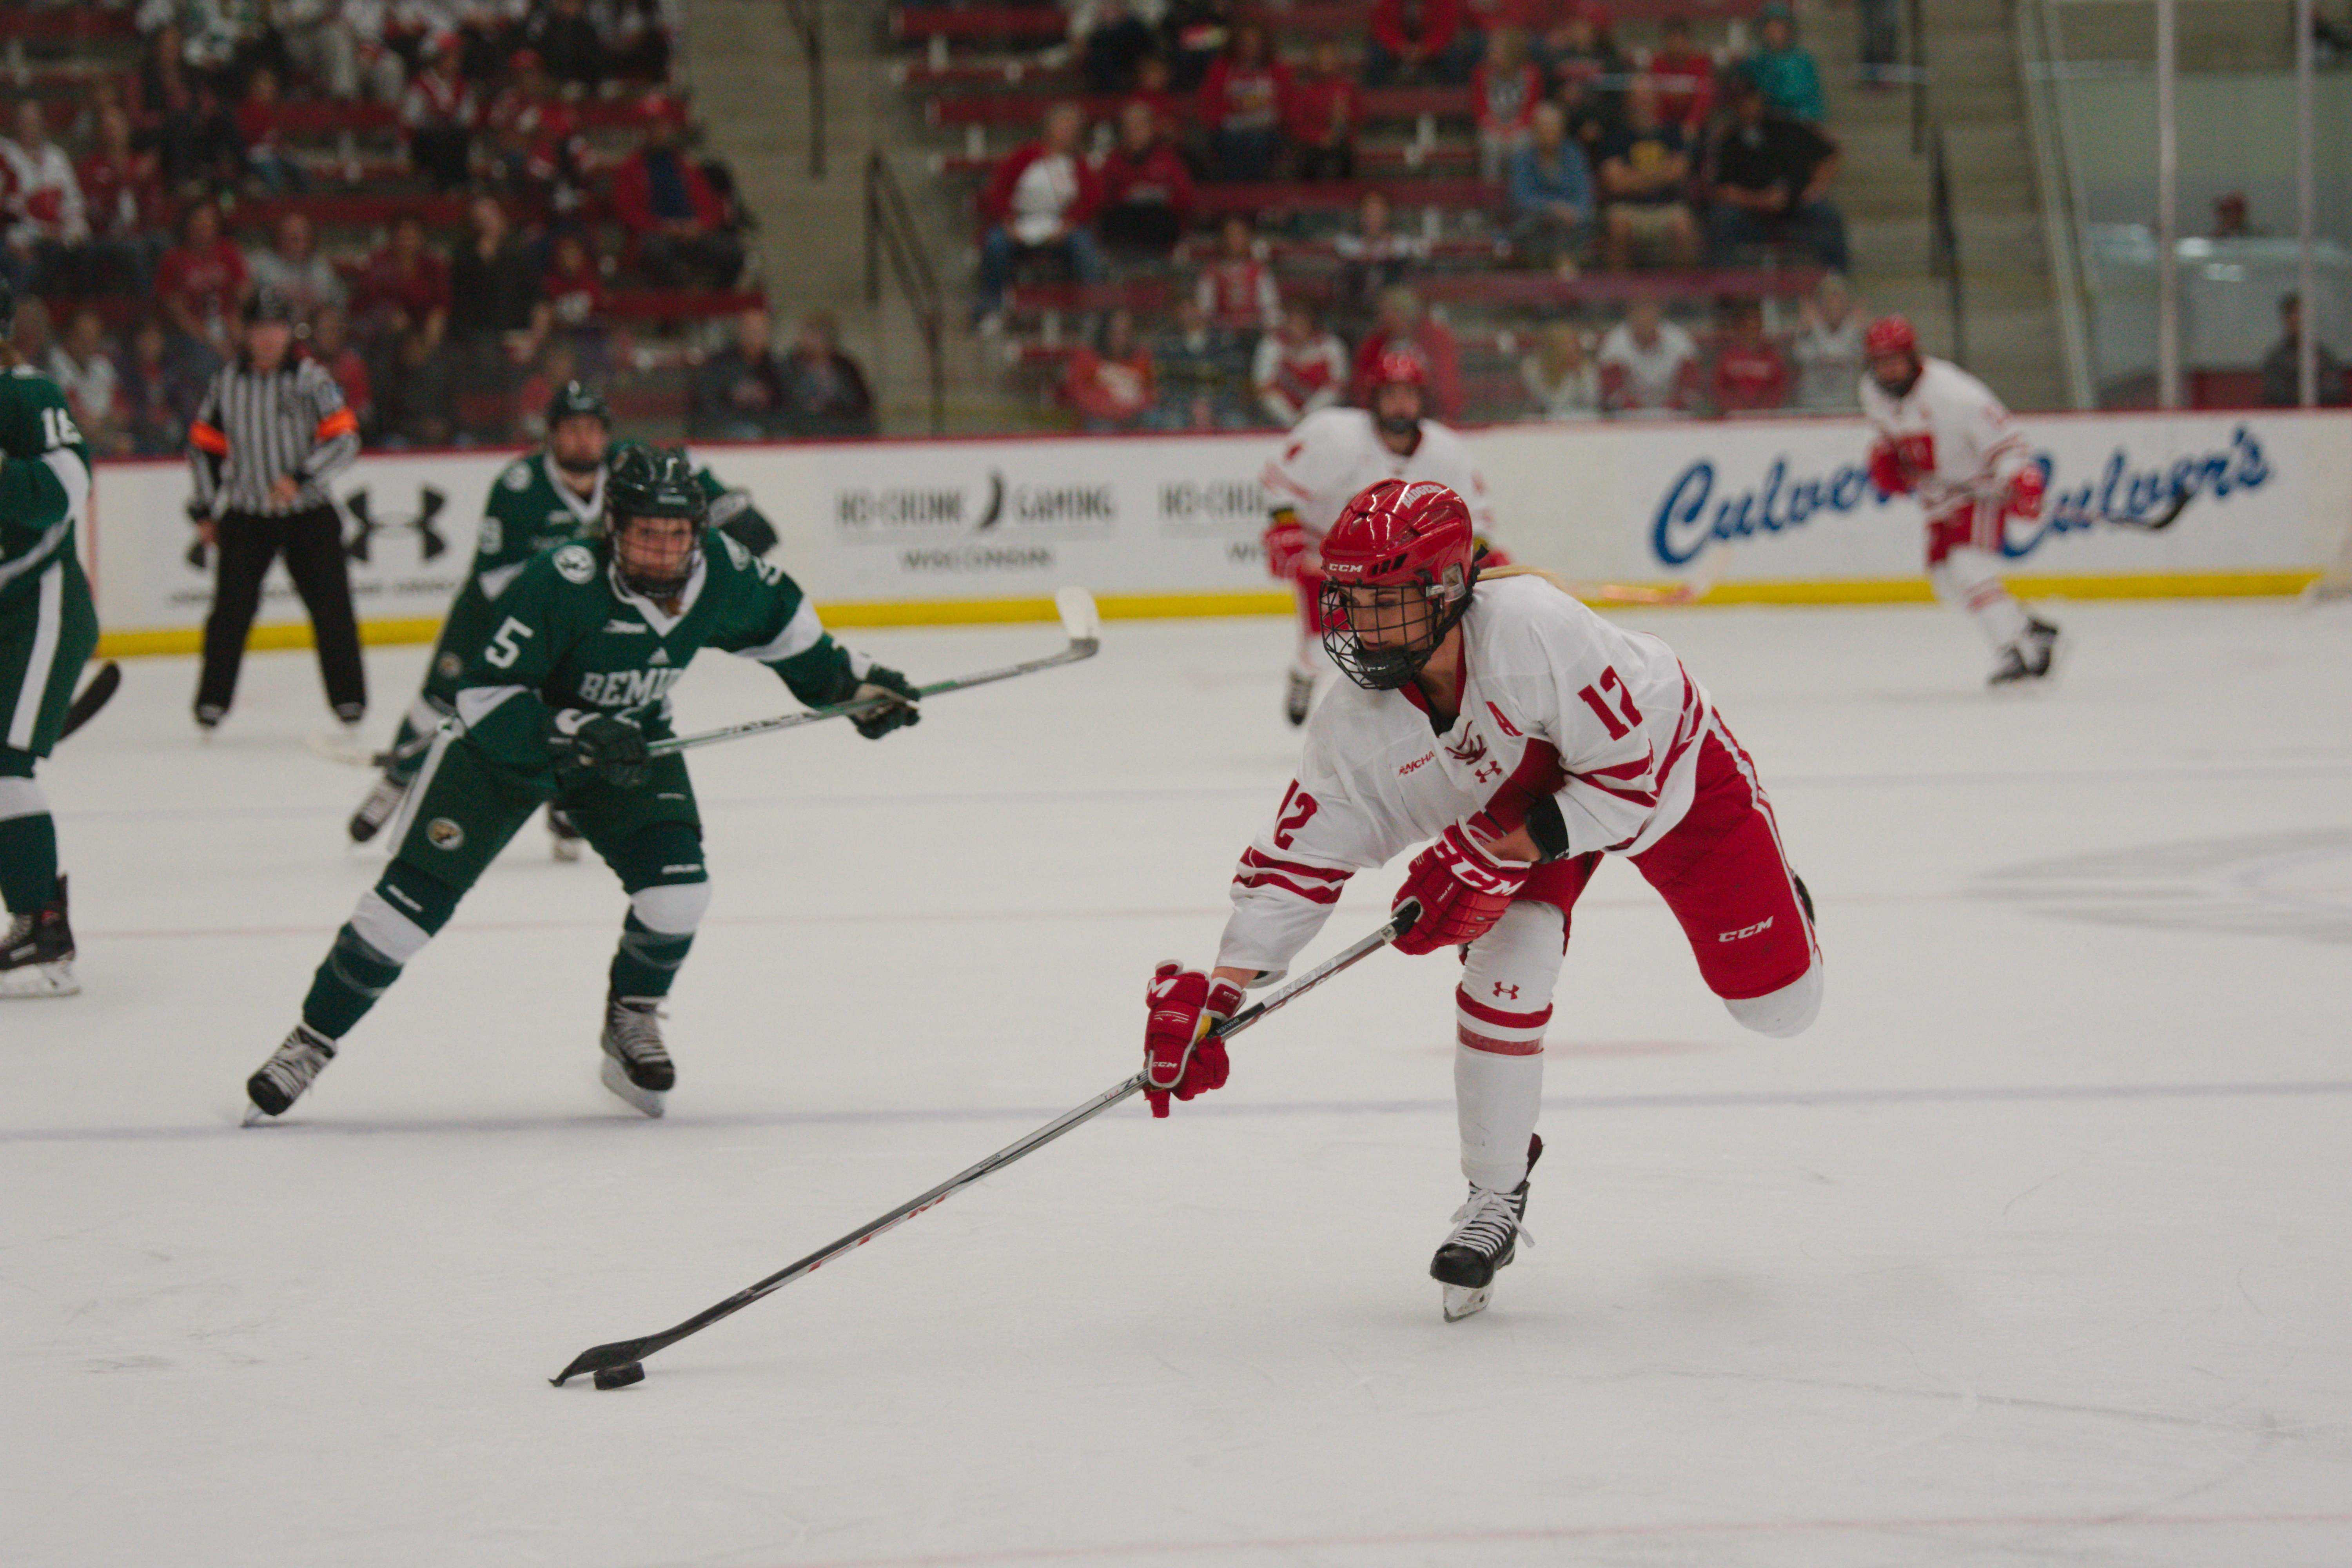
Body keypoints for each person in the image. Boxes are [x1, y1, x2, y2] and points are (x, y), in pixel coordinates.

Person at [1139, 478, 1820, 1319]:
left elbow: (1626, 786)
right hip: (1517, 813)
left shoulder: (1536, 628)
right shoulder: (1355, 722)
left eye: (1380, 601)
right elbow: (1295, 862)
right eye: (1347, 597)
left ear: (1445, 591)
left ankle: (1786, 904)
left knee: (1781, 1007)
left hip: (1667, 775)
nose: (1352, 622)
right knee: (1509, 963)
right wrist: (1221, 992)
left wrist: (1491, 853)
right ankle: (1494, 1196)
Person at [252, 446, 924, 1122]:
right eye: (645, 534)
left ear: (698, 531)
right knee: (397, 917)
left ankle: (629, 1018)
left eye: (677, 535)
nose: (663, 552)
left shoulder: (723, 571)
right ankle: (311, 1041)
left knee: (679, 894)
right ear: (614, 529)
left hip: (628, 750)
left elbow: (797, 641)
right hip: (502, 754)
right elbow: (483, 693)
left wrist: (859, 687)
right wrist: (574, 728)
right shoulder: (562, 579)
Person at [348, 385, 785, 844]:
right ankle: (395, 781)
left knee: (575, 705)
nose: (584, 440)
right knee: (438, 699)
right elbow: (497, 580)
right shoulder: (519, 485)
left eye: (594, 430)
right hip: (493, 617)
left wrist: (731, 511)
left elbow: (690, 480)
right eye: (573, 429)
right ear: (551, 434)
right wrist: (583, 557)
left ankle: (564, 804)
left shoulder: (631, 470)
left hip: (579, 622)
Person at [1261, 349, 1493, 725]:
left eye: (1408, 395)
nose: (1400, 405)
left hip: (1402, 569)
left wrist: (1474, 561)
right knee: (1325, 647)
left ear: (1421, 400)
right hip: (1330, 559)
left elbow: (1478, 524)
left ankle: (1405, 715)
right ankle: (1305, 673)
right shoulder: (1333, 436)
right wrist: (1285, 527)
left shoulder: (1448, 453)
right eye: (1391, 394)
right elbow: (1280, 481)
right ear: (1374, 399)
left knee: (1405, 643)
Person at [186, 289, 367, 737]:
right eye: (260, 329)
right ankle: (212, 702)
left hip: (308, 514)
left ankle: (349, 700)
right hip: (247, 515)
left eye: (277, 329)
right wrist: (207, 510)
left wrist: (302, 477)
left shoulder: (312, 379)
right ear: (245, 334)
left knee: (332, 609)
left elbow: (345, 437)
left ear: (290, 334)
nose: (268, 339)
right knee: (229, 613)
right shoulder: (226, 383)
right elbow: (204, 447)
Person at [1860, 314, 2062, 687]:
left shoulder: (1954, 394)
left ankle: (2012, 653)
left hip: (1981, 489)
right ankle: (2031, 630)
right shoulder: (1872, 391)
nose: (1887, 371)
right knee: (1947, 582)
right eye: (1880, 362)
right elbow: (1890, 438)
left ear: (1913, 357)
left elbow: (2008, 440)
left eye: (1895, 361)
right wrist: (1887, 459)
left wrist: (2023, 479)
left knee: (1967, 564)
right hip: (1939, 498)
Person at [0, 276, 99, 999]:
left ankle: (41, 918)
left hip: (42, 608)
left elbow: (68, 488)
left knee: (5, 765)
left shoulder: (30, 398)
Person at [975, 102, 1105, 327]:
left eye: (1073, 128)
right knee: (996, 244)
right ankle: (991, 309)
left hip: (1062, 226)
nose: (1068, 132)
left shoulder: (1080, 165)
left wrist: (1069, 224)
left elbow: (1091, 199)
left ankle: (1093, 313)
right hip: (1020, 223)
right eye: (1064, 126)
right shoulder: (1024, 157)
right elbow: (999, 190)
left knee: (1084, 245)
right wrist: (1008, 223)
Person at [1705, 74, 1847, 270]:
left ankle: (1837, 282)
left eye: (1750, 99)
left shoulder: (1786, 127)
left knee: (1826, 215)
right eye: (1739, 102)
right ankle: (1725, 287)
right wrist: (1760, 201)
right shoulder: (1728, 140)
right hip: (1750, 216)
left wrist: (1815, 189)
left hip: (1795, 210)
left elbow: (1829, 153)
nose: (1746, 106)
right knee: (1722, 219)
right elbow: (1721, 190)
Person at [612, 106, 744, 290]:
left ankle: (713, 297)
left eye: (663, 127)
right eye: (653, 127)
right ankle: (684, 295)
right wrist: (662, 227)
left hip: (692, 233)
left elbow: (708, 203)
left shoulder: (684, 165)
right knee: (655, 252)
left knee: (733, 252)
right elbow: (628, 211)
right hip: (656, 234)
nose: (659, 133)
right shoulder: (630, 169)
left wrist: (698, 225)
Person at [1597, 78, 1698, 270]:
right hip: (1627, 208)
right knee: (1617, 226)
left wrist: (1633, 177)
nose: (1642, 103)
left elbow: (1679, 172)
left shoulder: (1673, 133)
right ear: (1628, 101)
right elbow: (1615, 183)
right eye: (1637, 98)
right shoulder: (1614, 136)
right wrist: (1661, 174)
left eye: (1647, 97)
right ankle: (1620, 292)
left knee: (1683, 226)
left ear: (1656, 101)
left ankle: (1681, 295)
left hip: (1667, 207)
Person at [1093, 98, 1197, 258]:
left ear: (1151, 128)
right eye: (1129, 128)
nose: (1134, 132)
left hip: (1161, 224)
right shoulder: (1113, 162)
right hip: (1125, 226)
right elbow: (1102, 198)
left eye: (1139, 127)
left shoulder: (1168, 159)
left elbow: (1186, 197)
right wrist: (1127, 195)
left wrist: (1161, 195)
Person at [1350, 285, 1464, 420]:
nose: (1385, 319)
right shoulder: (1373, 345)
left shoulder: (1435, 340)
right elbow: (1361, 385)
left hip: (1430, 417)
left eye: (1392, 312)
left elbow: (1448, 383)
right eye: (1384, 313)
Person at [1507, 99, 1595, 270]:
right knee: (1540, 229)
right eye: (1544, 128)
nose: (1549, 133)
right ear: (1534, 130)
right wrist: (1553, 208)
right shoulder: (1522, 159)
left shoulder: (1574, 155)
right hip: (1536, 225)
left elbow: (1584, 195)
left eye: (1553, 127)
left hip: (1571, 225)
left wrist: (1570, 212)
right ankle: (1564, 272)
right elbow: (1520, 198)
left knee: (1581, 223)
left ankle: (1564, 270)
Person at [1198, 18, 1289, 183]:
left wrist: (1268, 105)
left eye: (1255, 43)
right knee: (1232, 141)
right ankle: (1234, 195)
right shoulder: (1221, 69)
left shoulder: (1277, 69)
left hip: (1267, 128)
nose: (1250, 48)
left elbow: (1288, 103)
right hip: (1230, 127)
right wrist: (1234, 106)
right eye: (1245, 43)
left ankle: (1258, 195)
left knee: (1258, 141)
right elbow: (1208, 104)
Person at [156, 202, 251, 358]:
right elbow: (178, 312)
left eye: (209, 220)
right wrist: (210, 341)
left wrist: (236, 326)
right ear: (187, 225)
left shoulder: (228, 251)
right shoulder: (173, 260)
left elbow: (243, 292)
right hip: (192, 333)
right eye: (199, 220)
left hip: (230, 324)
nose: (204, 225)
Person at [690, 305, 786, 440]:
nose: (755, 335)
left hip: (769, 430)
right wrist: (733, 395)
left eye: (760, 330)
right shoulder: (718, 364)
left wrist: (765, 398)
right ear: (741, 330)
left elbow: (788, 405)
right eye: (750, 329)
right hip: (726, 430)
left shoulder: (777, 368)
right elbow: (707, 404)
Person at [1597, 298, 1702, 415]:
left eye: (1649, 310)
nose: (1645, 317)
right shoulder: (1614, 343)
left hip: (1674, 415)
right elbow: (1613, 393)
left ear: (1658, 313)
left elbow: (1690, 390)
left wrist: (1667, 410)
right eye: (1640, 310)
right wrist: (1640, 413)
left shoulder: (1681, 340)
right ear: (1631, 314)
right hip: (1628, 417)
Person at [780, 311, 877, 437]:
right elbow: (785, 399)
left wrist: (834, 407)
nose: (806, 341)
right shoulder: (791, 366)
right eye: (806, 336)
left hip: (842, 427)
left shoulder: (846, 367)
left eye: (815, 336)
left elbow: (861, 402)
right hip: (804, 427)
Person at [1252, 301, 1349, 428]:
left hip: (1325, 421)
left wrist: (1308, 415)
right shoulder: (1271, 345)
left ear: (1312, 324)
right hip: (1279, 423)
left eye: (1302, 324)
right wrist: (1291, 419)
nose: (1296, 329)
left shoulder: (1332, 346)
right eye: (1292, 323)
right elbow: (1264, 389)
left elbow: (1338, 388)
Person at [1064, 309, 1156, 433]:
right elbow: (1078, 393)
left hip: (1134, 418)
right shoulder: (1087, 358)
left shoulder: (1141, 359)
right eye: (1116, 333)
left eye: (1126, 333)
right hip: (1099, 420)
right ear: (1105, 333)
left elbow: (1150, 392)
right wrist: (1112, 408)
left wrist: (1136, 405)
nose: (1121, 339)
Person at [247, 212, 346, 325]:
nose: (298, 242)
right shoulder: (260, 263)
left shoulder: (320, 265)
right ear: (279, 236)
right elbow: (249, 302)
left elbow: (333, 301)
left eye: (303, 236)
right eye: (293, 237)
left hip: (312, 326)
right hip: (270, 324)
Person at [1473, 25, 1544, 182]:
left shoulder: (1531, 74)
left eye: (1496, 50)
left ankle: (1521, 192)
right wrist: (1497, 126)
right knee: (1491, 145)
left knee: (1521, 144)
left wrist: (1513, 128)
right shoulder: (1482, 73)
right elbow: (1481, 108)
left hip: (1521, 127)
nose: (1491, 54)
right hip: (1492, 126)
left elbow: (1531, 109)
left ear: (1512, 52)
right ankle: (1490, 194)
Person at [1283, 37, 1358, 180]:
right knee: (1308, 160)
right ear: (1314, 62)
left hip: (1340, 142)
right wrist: (1318, 137)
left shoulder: (1347, 88)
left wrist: (1343, 118)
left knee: (1346, 156)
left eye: (1331, 57)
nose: (1326, 61)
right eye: (1322, 57)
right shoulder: (1304, 90)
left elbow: (1356, 119)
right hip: (1311, 143)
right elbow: (1296, 123)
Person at [1196, 213, 1280, 331]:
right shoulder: (1212, 273)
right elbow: (1204, 311)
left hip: (1254, 333)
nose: (1235, 241)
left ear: (1248, 239)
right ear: (1223, 239)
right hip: (1220, 334)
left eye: (1239, 235)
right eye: (1231, 235)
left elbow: (1271, 310)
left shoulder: (1260, 272)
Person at [2260, 292, 2348, 407]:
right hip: (2285, 420)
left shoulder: (2324, 356)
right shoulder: (2276, 359)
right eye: (2292, 315)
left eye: (2301, 315)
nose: (2297, 320)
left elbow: (2334, 391)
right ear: (2285, 320)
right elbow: (2275, 394)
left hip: (2323, 418)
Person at [1744, 2, 1825, 124]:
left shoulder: (1801, 60)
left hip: (1798, 123)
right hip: (1767, 123)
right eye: (1769, 27)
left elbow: (1797, 95)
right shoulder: (1758, 60)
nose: (1773, 32)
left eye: (1779, 26)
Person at [1710, 297, 1791, 413]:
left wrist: (1766, 408)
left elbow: (1779, 388)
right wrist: (1734, 408)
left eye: (1756, 324)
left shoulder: (1772, 357)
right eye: (1746, 325)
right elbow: (1719, 388)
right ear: (1737, 327)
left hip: (1766, 417)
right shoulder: (1727, 358)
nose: (1751, 330)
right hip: (1734, 418)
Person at [1367, 0, 1475, 87]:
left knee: (1454, 58)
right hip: (1398, 49)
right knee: (1377, 56)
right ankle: (1376, 105)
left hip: (1433, 49)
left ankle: (1452, 105)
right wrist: (1400, 47)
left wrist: (1426, 49)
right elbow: (1383, 26)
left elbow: (1446, 27)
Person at [1520, 320, 1600, 418]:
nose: (1572, 349)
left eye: (1573, 344)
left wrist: (1578, 374)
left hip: (1581, 418)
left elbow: (1593, 399)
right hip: (1547, 420)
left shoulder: (1585, 366)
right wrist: (1563, 373)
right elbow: (1553, 403)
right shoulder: (1533, 367)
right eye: (1566, 345)